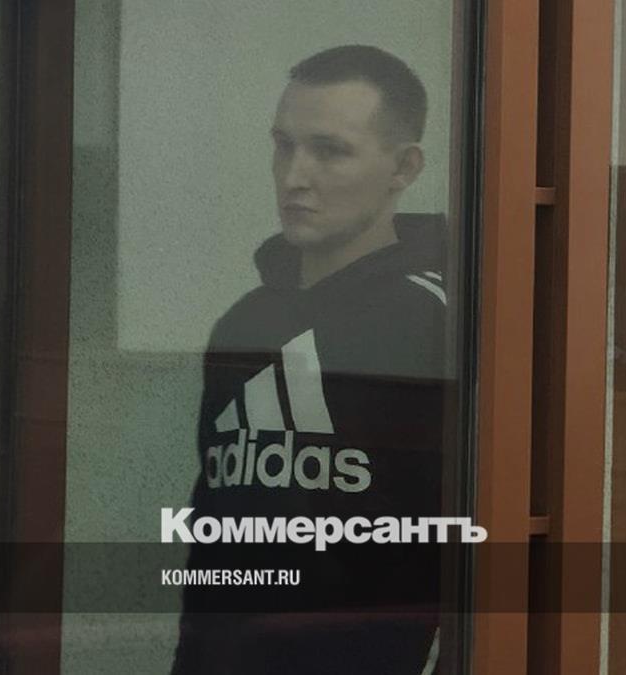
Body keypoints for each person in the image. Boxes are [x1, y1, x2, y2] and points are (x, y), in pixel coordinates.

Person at [171, 45, 450, 675]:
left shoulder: (431, 323)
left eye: (330, 151)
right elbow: (213, 532)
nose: (295, 175)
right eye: (283, 146)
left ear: (403, 167)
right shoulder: (244, 324)